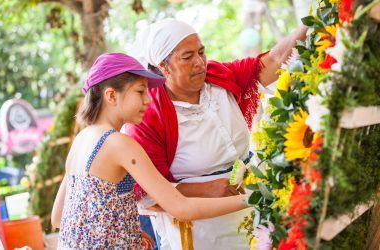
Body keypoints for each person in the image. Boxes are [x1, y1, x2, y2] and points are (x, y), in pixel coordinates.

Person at [126, 19, 308, 249]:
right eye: (187, 57)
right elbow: (147, 194)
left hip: (250, 203)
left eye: (202, 52)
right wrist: (206, 189)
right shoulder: (149, 114)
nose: (200, 63)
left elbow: (274, 60)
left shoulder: (219, 76)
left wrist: (314, 23)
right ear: (164, 66)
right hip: (200, 229)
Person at [50, 53, 249, 249]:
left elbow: (59, 218)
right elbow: (181, 208)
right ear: (111, 95)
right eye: (140, 92)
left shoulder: (81, 140)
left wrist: (125, 230)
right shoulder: (120, 144)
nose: (148, 100)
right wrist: (249, 199)